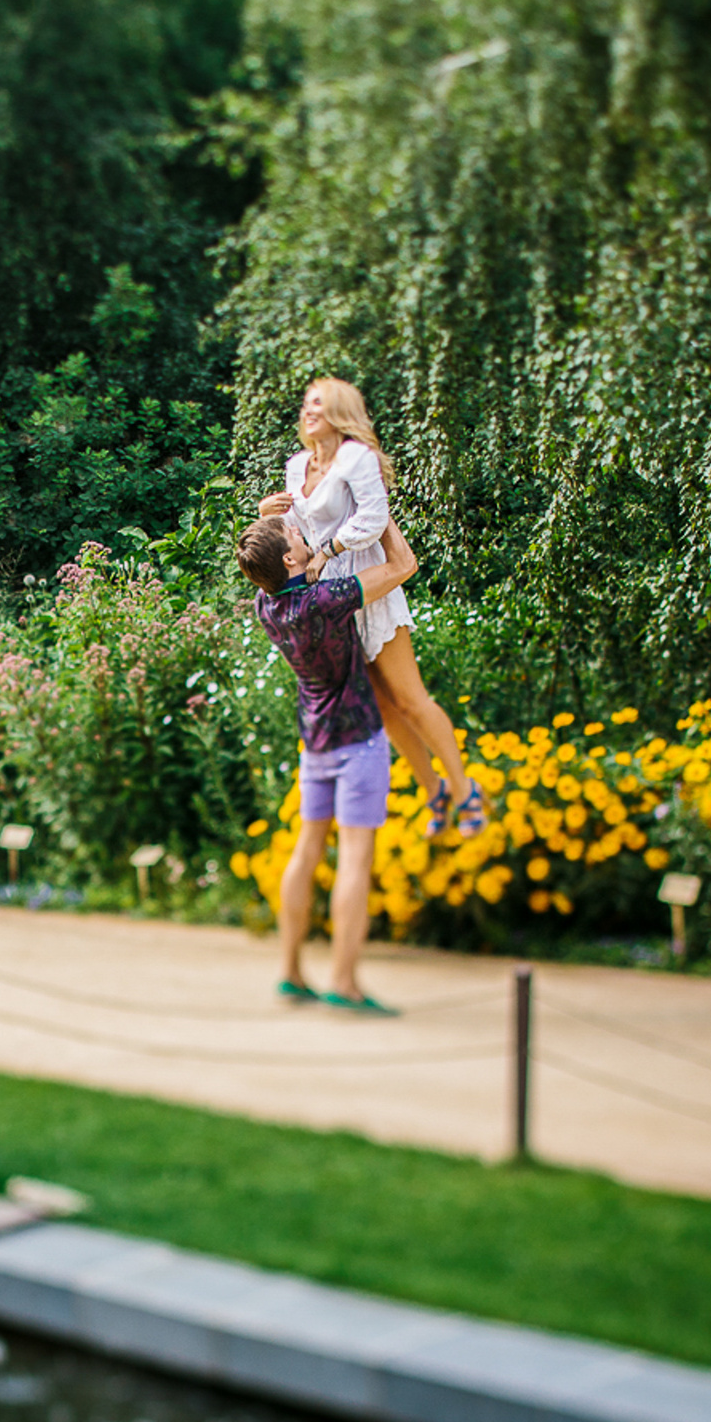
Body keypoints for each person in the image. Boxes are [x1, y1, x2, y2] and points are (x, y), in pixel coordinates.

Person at [257, 378, 485, 838]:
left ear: (340, 408)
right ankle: (433, 789)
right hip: (325, 598)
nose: (308, 410)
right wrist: (268, 514)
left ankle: (465, 789)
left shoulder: (356, 458)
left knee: (410, 698)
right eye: (305, 404)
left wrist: (329, 552)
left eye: (317, 402)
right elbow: (293, 532)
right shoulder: (296, 465)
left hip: (366, 579)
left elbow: (375, 517)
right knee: (381, 703)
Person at [237, 511, 418, 1014]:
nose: (301, 532)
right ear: (292, 559)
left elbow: (279, 564)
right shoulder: (323, 601)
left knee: (306, 850)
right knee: (355, 860)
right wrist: (377, 511)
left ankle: (291, 973)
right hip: (358, 740)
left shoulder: (267, 604)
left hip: (314, 743)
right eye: (295, 535)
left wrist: (273, 521)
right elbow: (404, 563)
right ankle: (345, 983)